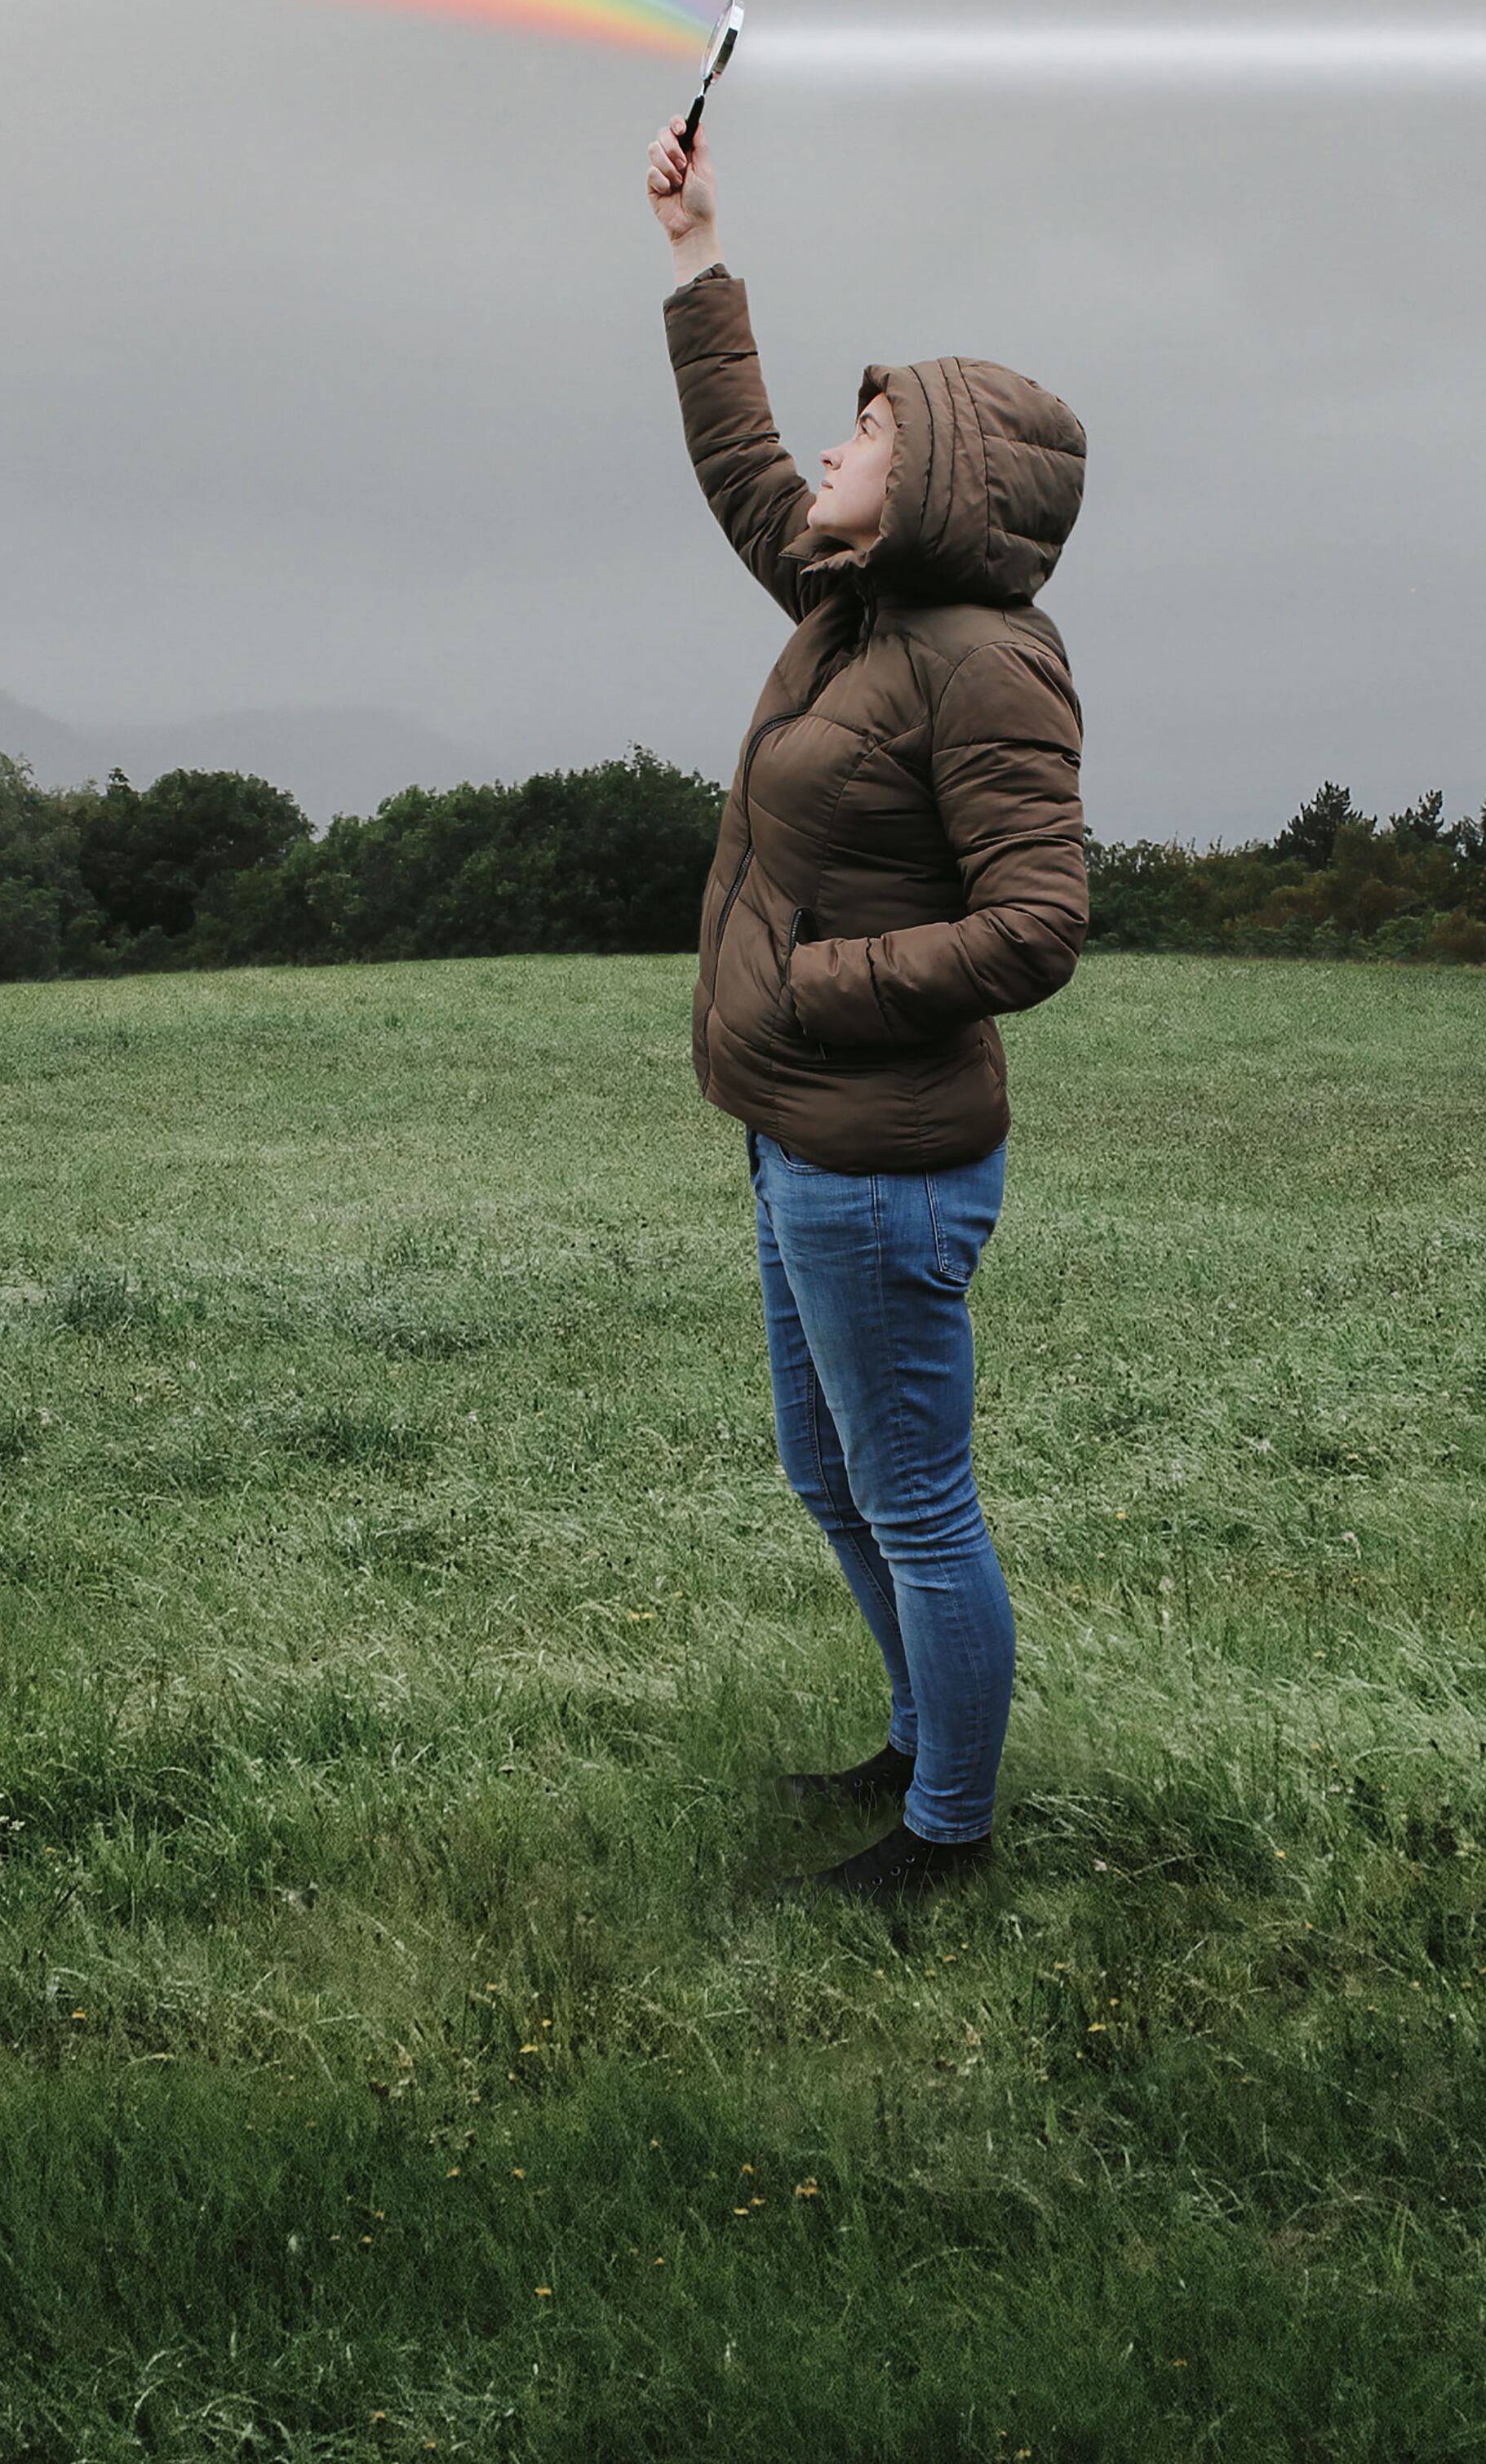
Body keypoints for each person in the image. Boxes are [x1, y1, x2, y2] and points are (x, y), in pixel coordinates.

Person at [643, 113, 1091, 1905]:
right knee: (827, 1474)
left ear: (940, 487)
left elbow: (1041, 924)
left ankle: (947, 1838)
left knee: (911, 1500)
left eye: (873, 428)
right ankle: (921, 1737)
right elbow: (745, 466)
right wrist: (696, 249)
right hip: (795, 1138)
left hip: (882, 1160)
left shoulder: (984, 663)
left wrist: (822, 985)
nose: (833, 448)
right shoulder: (851, 612)